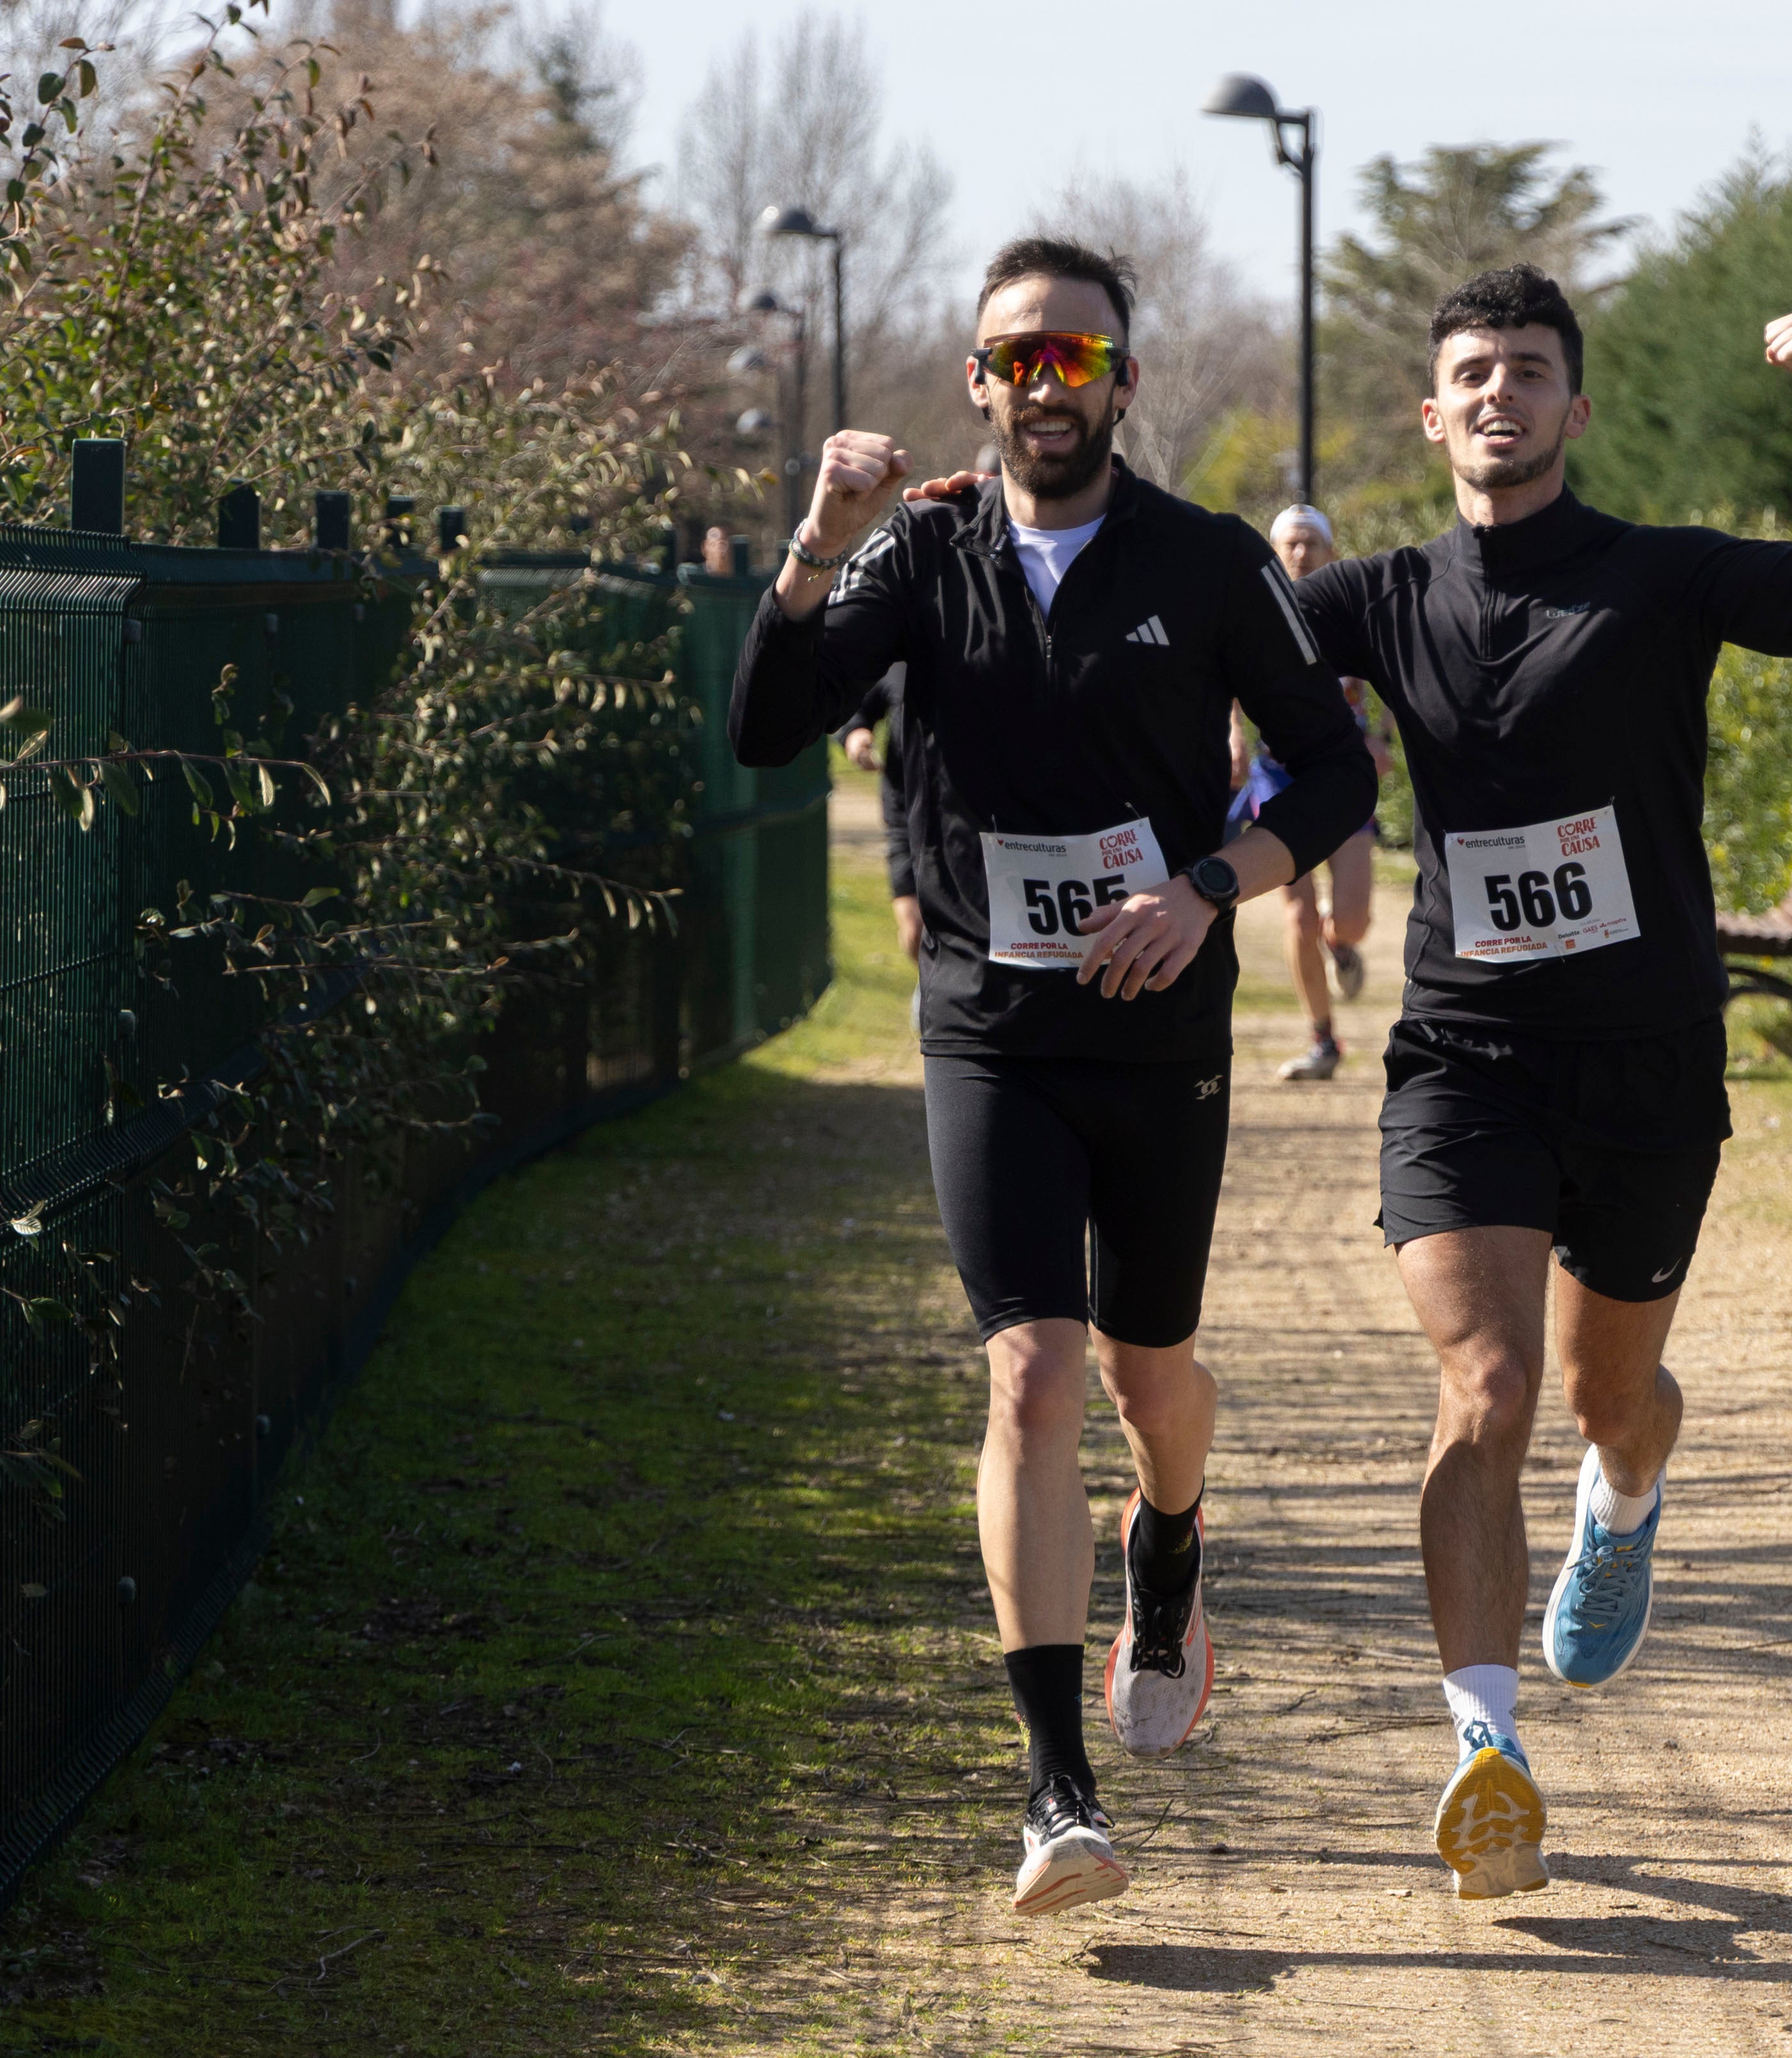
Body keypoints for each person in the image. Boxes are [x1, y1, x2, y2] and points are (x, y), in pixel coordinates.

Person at [728, 238, 1376, 1918]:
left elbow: (1332, 766)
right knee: (1030, 1372)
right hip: (988, 1025)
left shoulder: (1206, 562)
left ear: (1121, 382)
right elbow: (763, 723)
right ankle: (1053, 1790)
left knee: (1149, 1374)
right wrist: (815, 543)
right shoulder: (922, 551)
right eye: (1014, 358)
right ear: (975, 380)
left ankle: (1172, 1546)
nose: (1043, 385)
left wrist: (1208, 888)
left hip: (1156, 1033)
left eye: (1073, 359)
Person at [1290, 266, 1792, 1899]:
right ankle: (1484, 1746)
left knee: (1601, 1398)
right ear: (1429, 417)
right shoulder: (1373, 597)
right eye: (1470, 373)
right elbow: (1156, 645)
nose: (1498, 393)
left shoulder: (1654, 578)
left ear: (1574, 409)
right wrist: (982, 522)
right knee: (1482, 1389)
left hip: (1642, 1056)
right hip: (1465, 1054)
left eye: (1528, 370)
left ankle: (1626, 1493)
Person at [1228, 505, 1392, 1081]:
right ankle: (1323, 1039)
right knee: (1295, 917)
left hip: (1344, 775)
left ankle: (1339, 943)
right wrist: (1233, 740)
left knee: (1351, 920)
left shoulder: (1354, 610)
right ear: (1275, 551)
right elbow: (1221, 673)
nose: (1300, 553)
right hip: (1278, 774)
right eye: (1289, 544)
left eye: (1310, 543)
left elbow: (1391, 679)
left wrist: (1380, 738)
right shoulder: (1254, 610)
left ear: (1330, 549)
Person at [836, 663, 922, 958]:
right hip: (908, 818)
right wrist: (856, 734)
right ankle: (926, 993)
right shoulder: (899, 657)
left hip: (974, 825)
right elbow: (854, 706)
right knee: (915, 930)